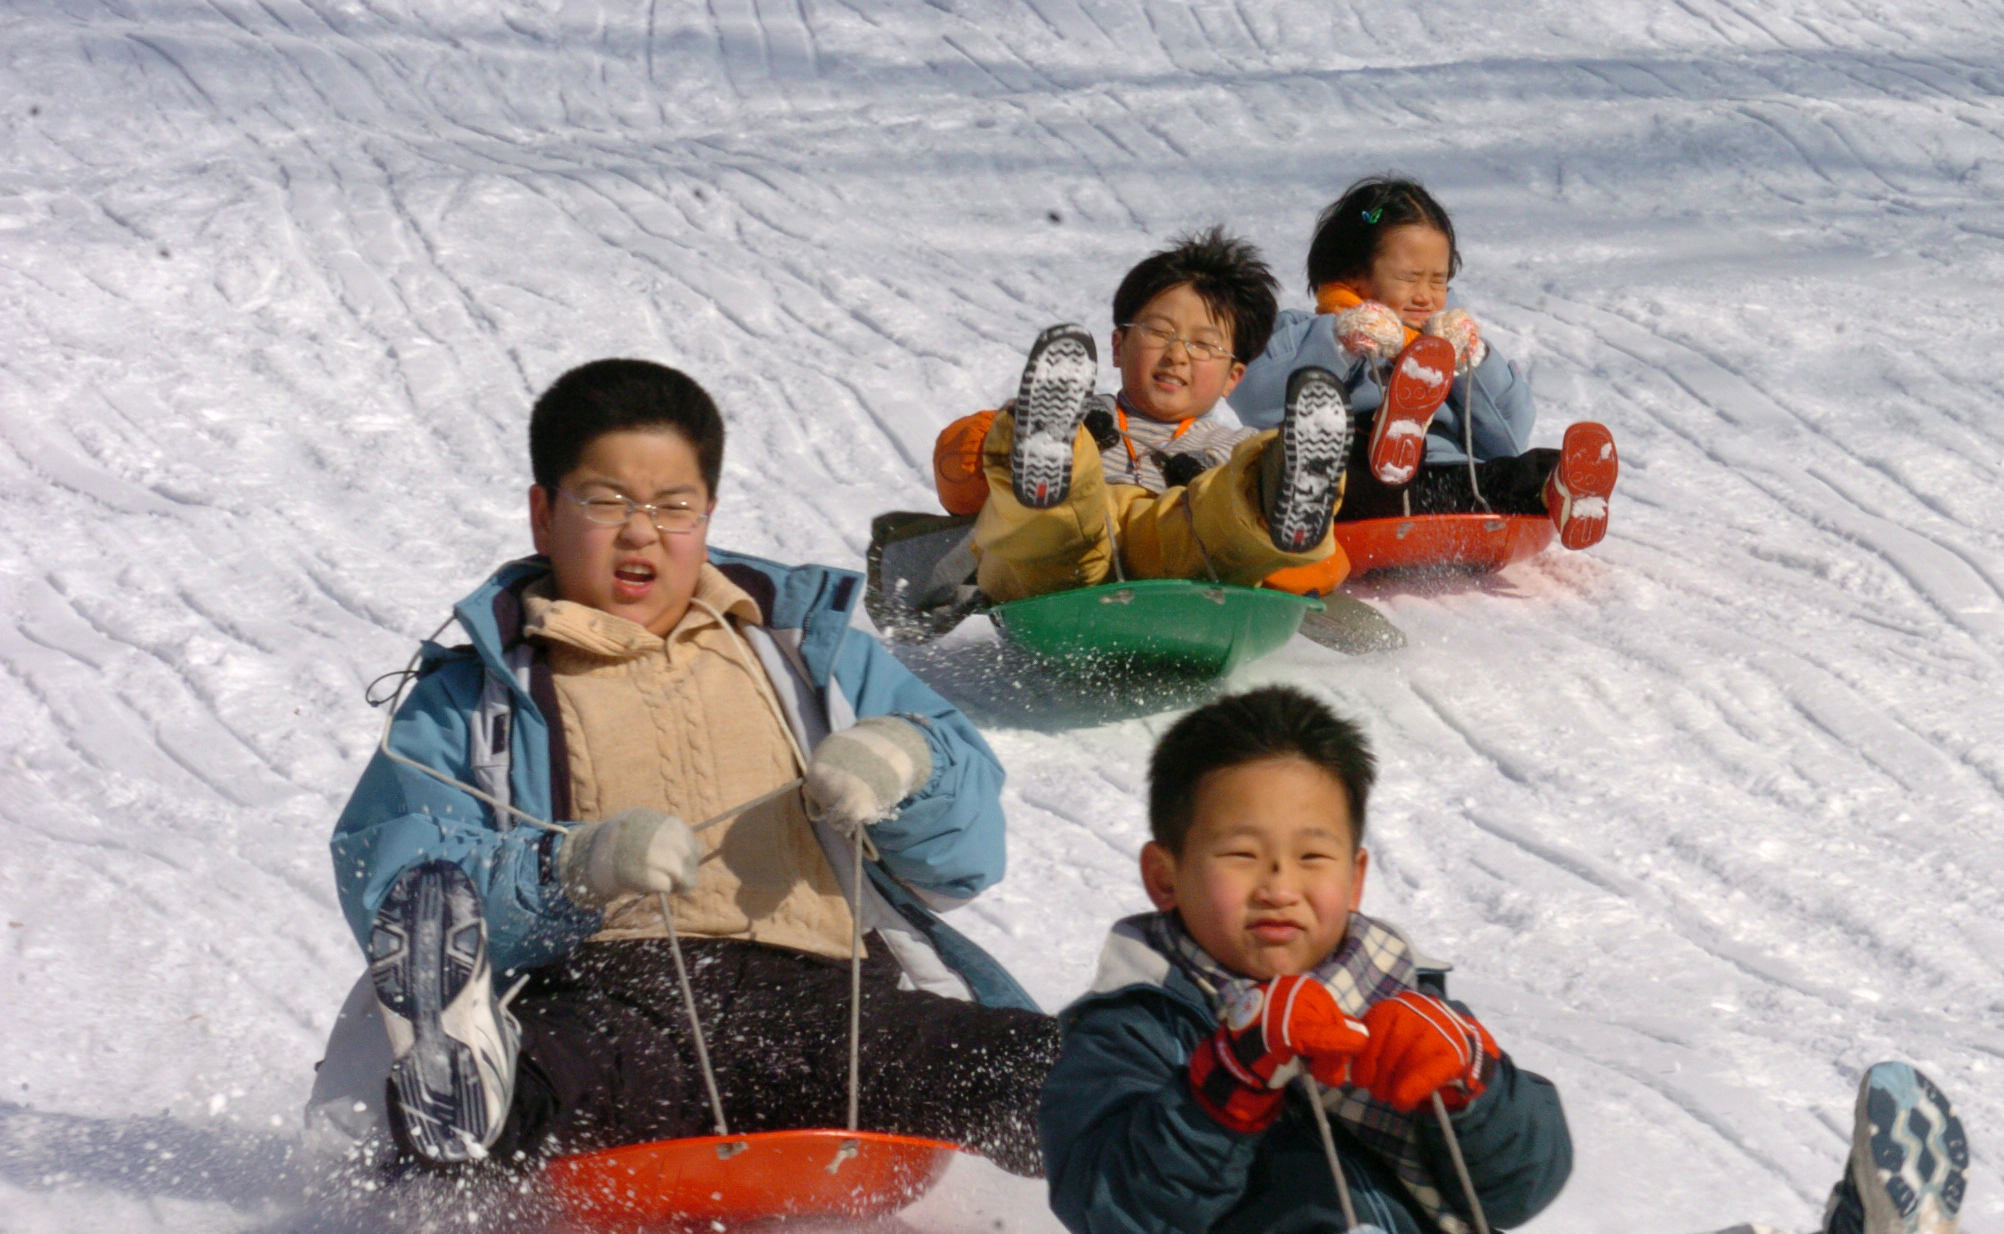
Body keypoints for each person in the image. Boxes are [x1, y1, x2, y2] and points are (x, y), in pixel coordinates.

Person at [1039, 686, 1971, 1234]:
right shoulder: (1133, 1025)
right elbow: (1121, 1211)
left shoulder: (1400, 1011)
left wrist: (1471, 1086)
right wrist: (1233, 1074)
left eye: (1311, 855)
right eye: (1241, 855)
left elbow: (1523, 1183)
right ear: (1164, 876)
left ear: (1356, 877)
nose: (1280, 884)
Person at [326, 358, 1059, 1175]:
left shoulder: (813, 663)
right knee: (554, 1076)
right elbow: (399, 888)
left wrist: (910, 764)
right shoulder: (472, 703)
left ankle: (1173, 1155)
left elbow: (969, 859)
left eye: (673, 507)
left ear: (707, 515)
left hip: (830, 1004)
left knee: (1022, 1062)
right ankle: (466, 1097)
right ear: (542, 515)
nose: (642, 531)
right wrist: (568, 867)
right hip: (614, 998)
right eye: (605, 502)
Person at [928, 227, 1352, 605]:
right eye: (1158, 332)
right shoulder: (1074, 416)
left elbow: (1320, 568)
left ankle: (1275, 493)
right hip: (1059, 577)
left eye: (1204, 345)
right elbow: (962, 488)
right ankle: (1041, 463)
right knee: (1044, 523)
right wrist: (990, 439)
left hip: (1181, 566)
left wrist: (1283, 540)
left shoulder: (1232, 450)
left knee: (1225, 510)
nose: (1177, 354)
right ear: (1117, 345)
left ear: (1233, 378)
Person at [1226, 177, 1619, 550]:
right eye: (1409, 278)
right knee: (1322, 466)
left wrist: (1472, 363)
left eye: (1438, 281)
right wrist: (1339, 343)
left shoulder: (1440, 347)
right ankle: (1385, 434)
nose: (1425, 296)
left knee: (1525, 470)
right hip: (1346, 489)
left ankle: (1559, 490)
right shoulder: (1305, 330)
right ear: (1351, 273)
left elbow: (1508, 436)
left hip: (1440, 487)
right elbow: (1256, 399)